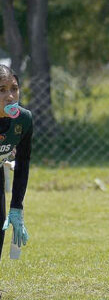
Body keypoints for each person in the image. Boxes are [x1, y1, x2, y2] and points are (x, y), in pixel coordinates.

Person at [0, 64, 32, 261]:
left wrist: (16, 207)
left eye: (14, 88)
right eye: (1, 90)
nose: (10, 96)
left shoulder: (24, 119)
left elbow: (23, 162)